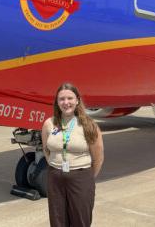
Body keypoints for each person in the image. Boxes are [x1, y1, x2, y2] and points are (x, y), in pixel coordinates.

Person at [42, 82, 104, 227]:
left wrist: (85, 176)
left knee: (81, 220)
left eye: (70, 98)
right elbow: (46, 149)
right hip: (55, 178)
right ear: (57, 103)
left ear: (77, 100)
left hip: (81, 177)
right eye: (61, 99)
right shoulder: (49, 124)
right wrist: (55, 166)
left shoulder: (89, 125)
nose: (66, 102)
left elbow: (98, 157)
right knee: (58, 220)